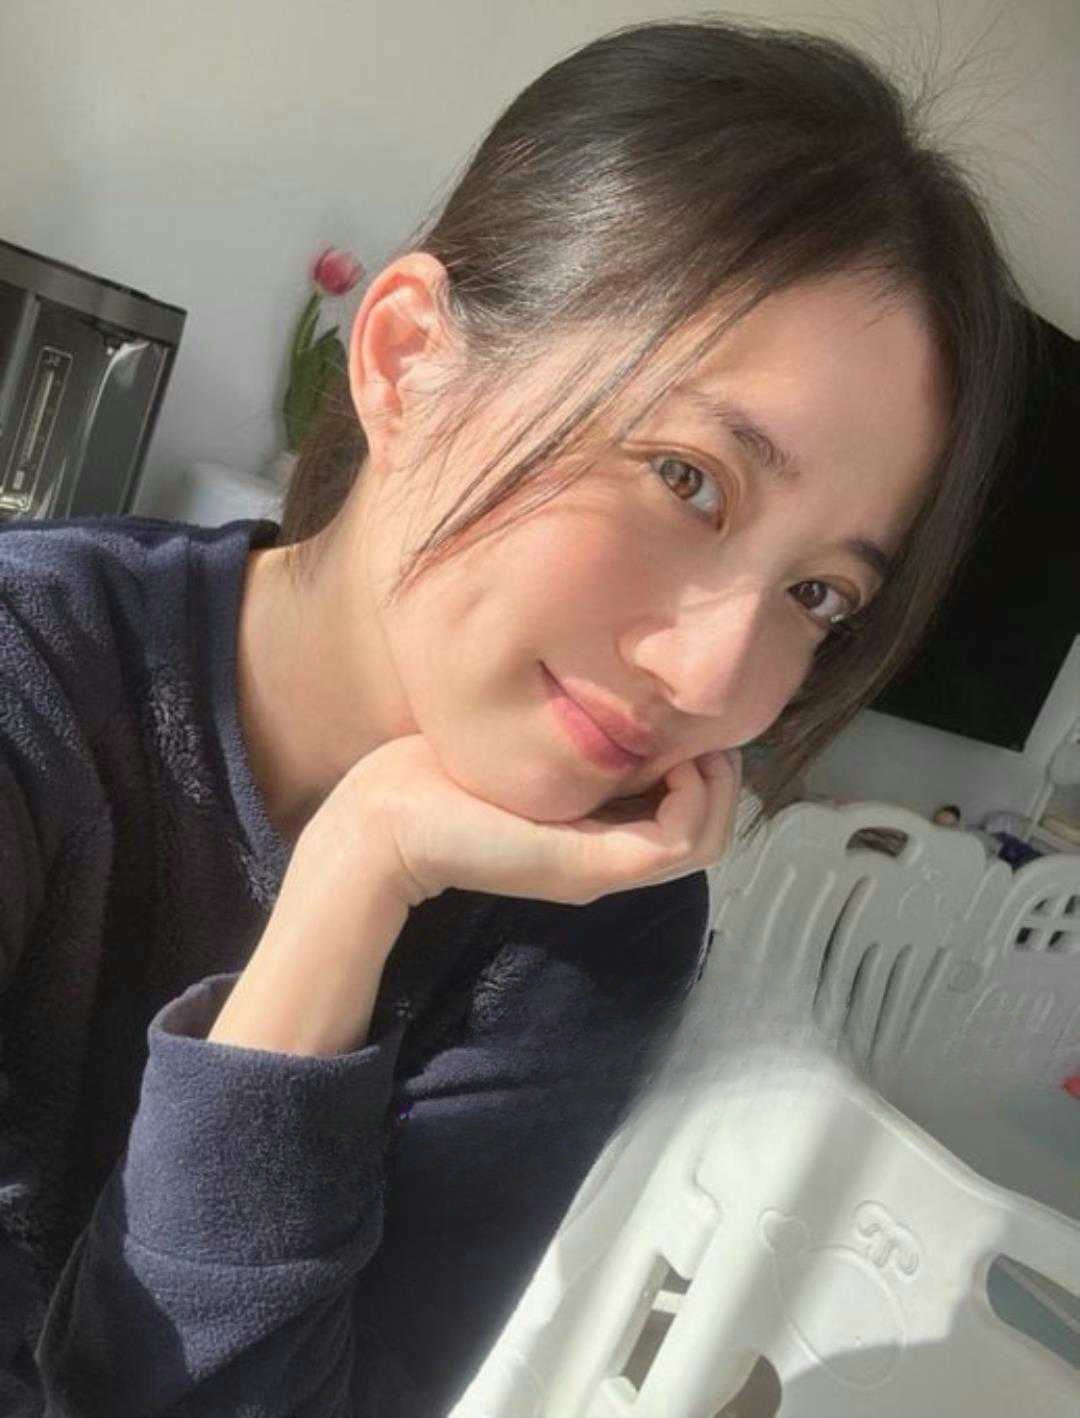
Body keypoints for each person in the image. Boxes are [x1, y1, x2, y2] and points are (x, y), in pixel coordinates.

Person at [0, 15, 1034, 1416]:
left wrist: (354, 880)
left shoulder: (595, 917)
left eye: (819, 594)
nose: (716, 681)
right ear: (407, 360)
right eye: (687, 477)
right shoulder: (36, 682)